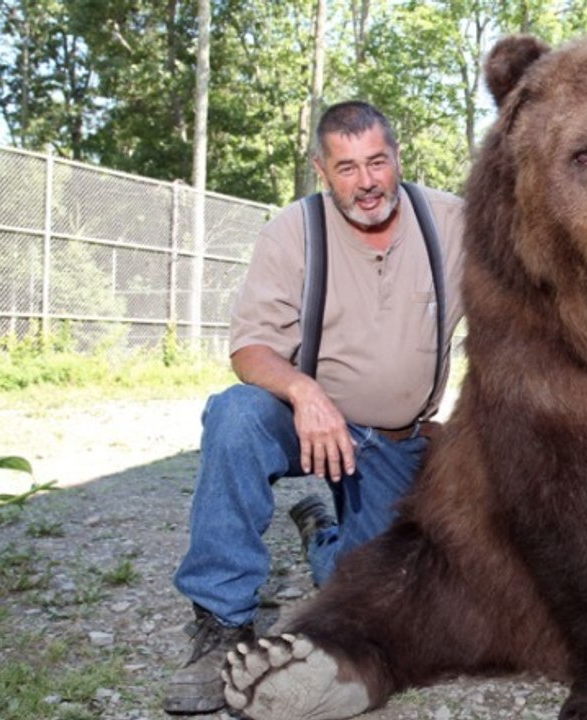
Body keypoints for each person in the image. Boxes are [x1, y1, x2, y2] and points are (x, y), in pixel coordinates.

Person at [163, 100, 466, 715]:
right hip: (311, 423)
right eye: (347, 168)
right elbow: (250, 350)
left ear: (398, 157)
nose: (367, 182)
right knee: (237, 416)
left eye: (377, 162)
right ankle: (222, 623)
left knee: (372, 595)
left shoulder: (452, 222)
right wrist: (305, 393)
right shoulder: (293, 231)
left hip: (396, 438)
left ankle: (322, 535)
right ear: (321, 171)